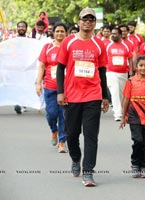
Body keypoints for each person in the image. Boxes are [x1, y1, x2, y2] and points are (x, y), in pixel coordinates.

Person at [56, 7, 109, 187]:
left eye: (91, 19)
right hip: (71, 96)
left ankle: (88, 172)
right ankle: (76, 158)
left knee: (91, 135)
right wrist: (60, 92)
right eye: (84, 18)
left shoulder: (99, 44)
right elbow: (60, 68)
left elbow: (102, 72)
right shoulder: (68, 42)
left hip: (92, 95)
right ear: (78, 21)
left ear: (95, 23)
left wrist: (105, 96)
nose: (87, 21)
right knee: (71, 134)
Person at [119, 55, 145, 178]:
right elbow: (126, 99)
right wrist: (123, 116)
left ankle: (144, 166)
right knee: (138, 141)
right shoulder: (130, 81)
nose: (143, 68)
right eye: (141, 65)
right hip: (134, 116)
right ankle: (135, 165)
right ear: (136, 67)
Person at [35, 22, 68, 153]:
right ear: (53, 33)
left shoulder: (69, 47)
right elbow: (42, 66)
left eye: (62, 31)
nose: (60, 34)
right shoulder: (47, 47)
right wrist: (38, 83)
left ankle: (62, 141)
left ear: (66, 33)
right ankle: (54, 130)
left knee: (64, 115)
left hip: (66, 88)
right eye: (57, 31)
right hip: (50, 86)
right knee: (51, 114)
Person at [106, 27, 133, 121]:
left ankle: (123, 111)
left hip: (123, 73)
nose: (113, 35)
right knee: (115, 92)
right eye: (112, 33)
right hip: (111, 72)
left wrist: (131, 71)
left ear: (121, 35)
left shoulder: (126, 46)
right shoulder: (108, 46)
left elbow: (130, 58)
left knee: (122, 93)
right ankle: (118, 114)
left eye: (115, 33)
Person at [13, 21, 30, 114]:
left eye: (23, 26)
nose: (21, 28)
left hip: (26, 68)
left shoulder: (31, 41)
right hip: (15, 68)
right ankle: (18, 103)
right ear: (17, 28)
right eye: (19, 26)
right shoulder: (12, 41)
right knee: (16, 85)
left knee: (25, 85)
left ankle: (23, 103)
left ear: (26, 28)